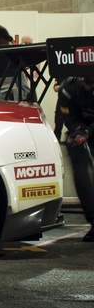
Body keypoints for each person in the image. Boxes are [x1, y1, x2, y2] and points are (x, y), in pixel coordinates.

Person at [57, 76, 94, 242]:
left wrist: (88, 131)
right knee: (80, 171)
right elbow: (70, 117)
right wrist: (78, 131)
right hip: (82, 129)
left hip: (89, 130)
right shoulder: (68, 88)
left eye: (90, 83)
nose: (86, 85)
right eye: (83, 82)